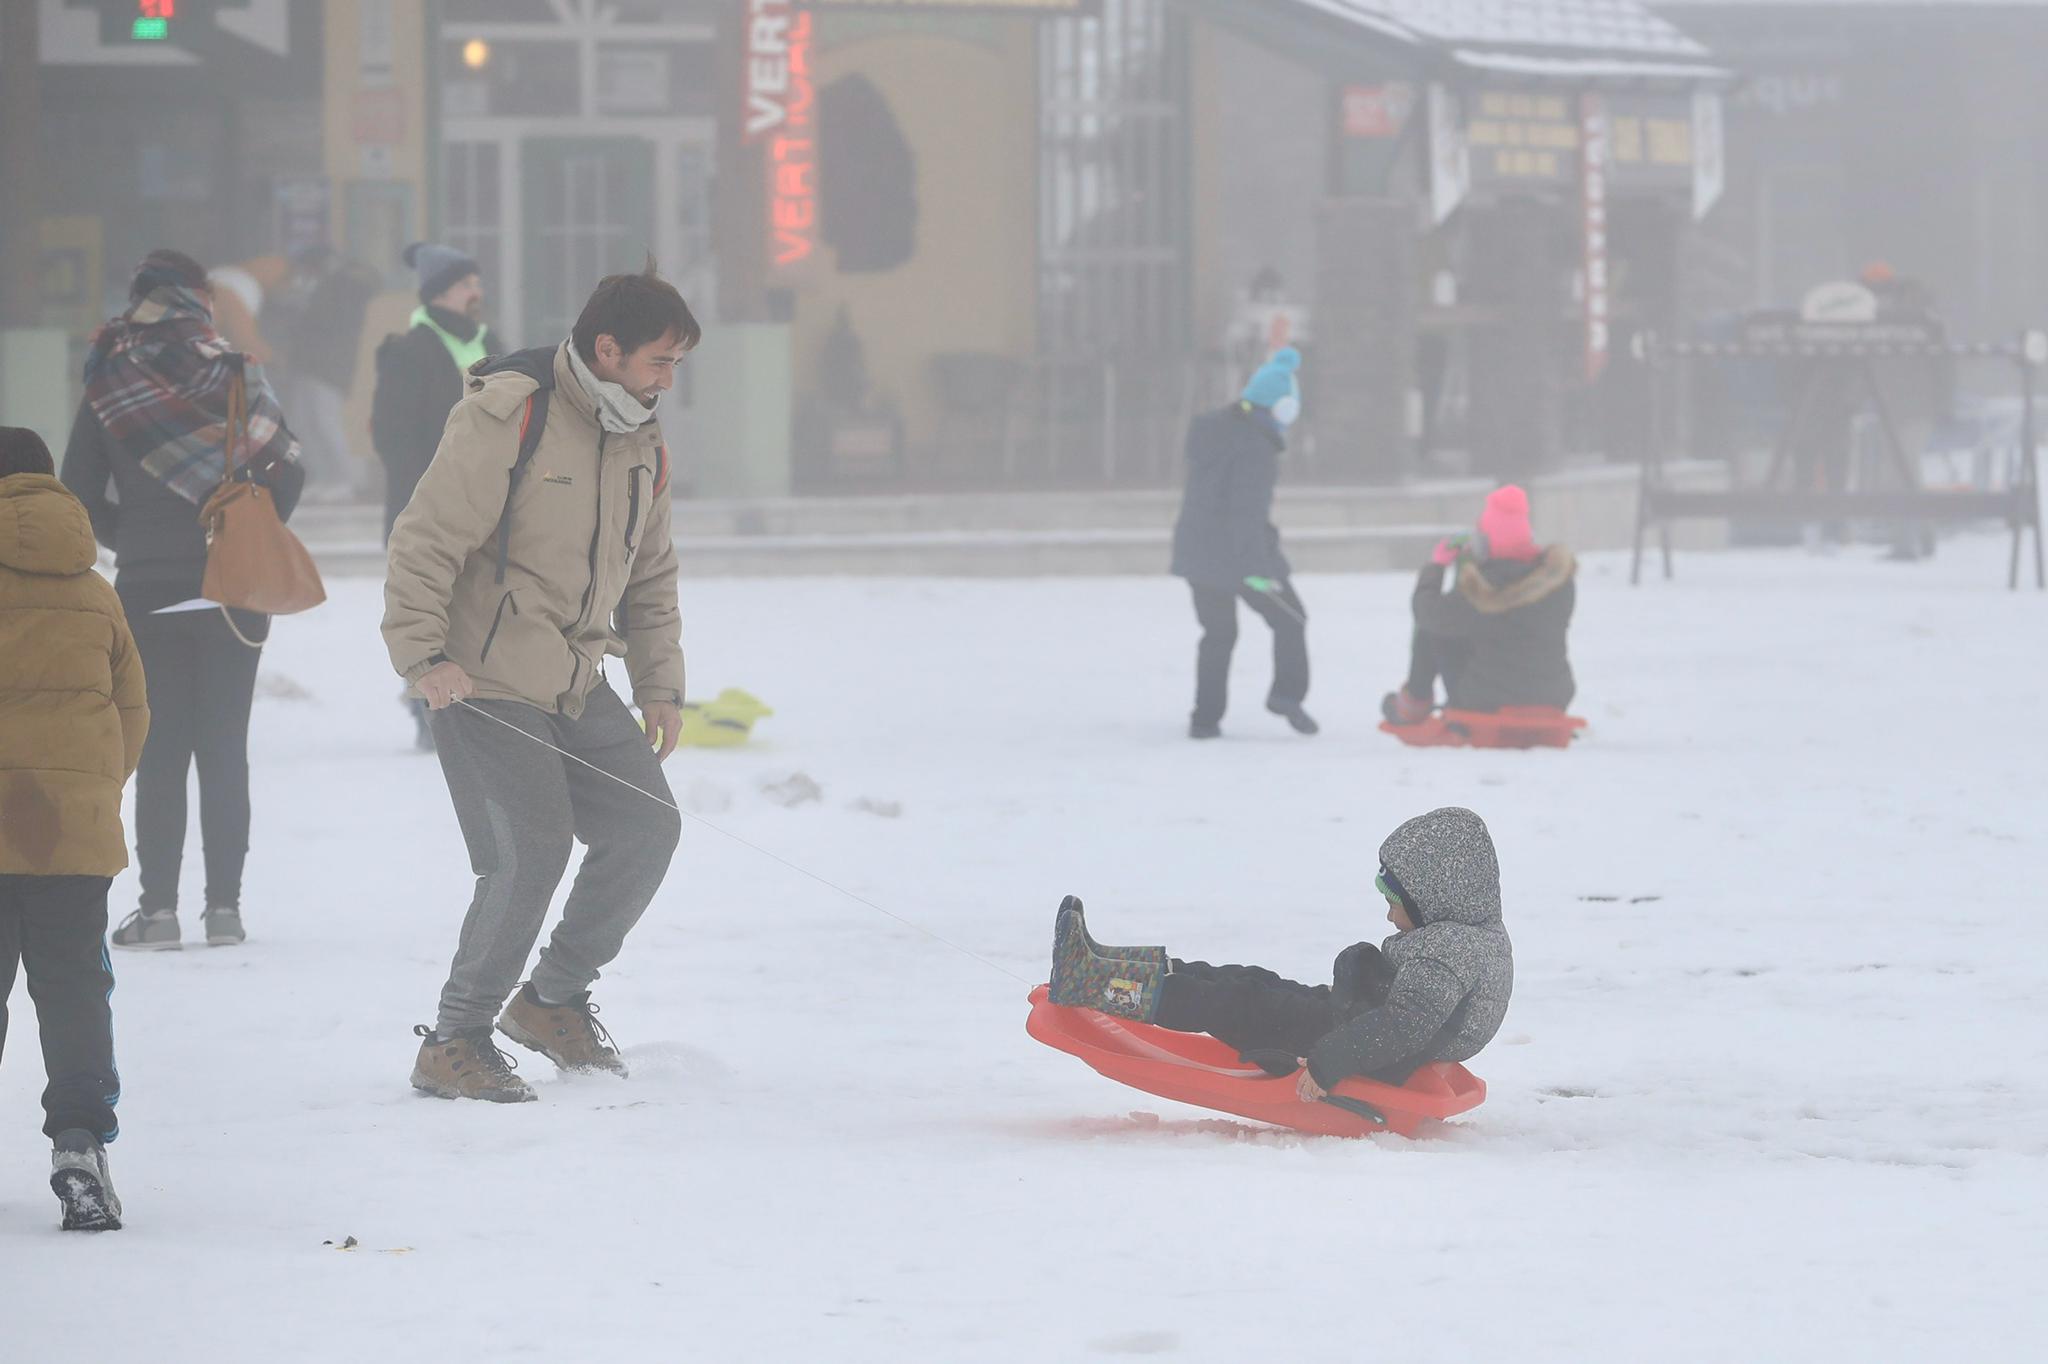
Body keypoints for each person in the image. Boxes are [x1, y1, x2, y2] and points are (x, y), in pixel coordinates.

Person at [384, 262, 691, 1103]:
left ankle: (551, 1000)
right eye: (659, 360)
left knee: (646, 827)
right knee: (530, 852)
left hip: (574, 673)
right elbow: (425, 538)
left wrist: (660, 680)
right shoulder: (511, 412)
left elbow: (651, 571)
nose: (669, 378)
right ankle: (453, 1040)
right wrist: (422, 656)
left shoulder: (640, 437)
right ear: (607, 348)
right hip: (480, 674)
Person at [60, 249, 306, 951]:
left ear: (135, 300)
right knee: (225, 748)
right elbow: (289, 473)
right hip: (232, 587)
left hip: (147, 587)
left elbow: (76, 488)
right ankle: (224, 912)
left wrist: (131, 536)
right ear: (199, 298)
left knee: (161, 749)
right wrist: (246, 534)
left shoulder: (109, 381)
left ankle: (158, 913)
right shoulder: (232, 370)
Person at [1048, 807, 1512, 1098]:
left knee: (1232, 1001)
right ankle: (1106, 965)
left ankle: (1092, 983)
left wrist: (1329, 1063)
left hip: (1349, 1046)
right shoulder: (1464, 937)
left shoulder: (1451, 952)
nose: (1390, 917)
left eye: (1394, 903)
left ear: (1435, 896)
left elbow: (1402, 1027)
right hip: (1352, 1024)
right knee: (1247, 979)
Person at [0, 427, 150, 1231]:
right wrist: (92, 792)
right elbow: (133, 710)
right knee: (73, 991)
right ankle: (81, 1142)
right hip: (71, 836)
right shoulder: (96, 589)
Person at [370, 242, 502, 750]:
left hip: (492, 506)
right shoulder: (410, 350)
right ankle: (429, 707)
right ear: (442, 292)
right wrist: (424, 503)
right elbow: (393, 437)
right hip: (427, 507)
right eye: (468, 285)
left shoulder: (492, 341)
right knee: (429, 607)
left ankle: (486, 701)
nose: (478, 293)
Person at [1169, 347, 1316, 740]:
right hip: (1240, 559)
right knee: (1291, 618)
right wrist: (1258, 572)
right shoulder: (1256, 449)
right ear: (1281, 408)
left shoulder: (1212, 432)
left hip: (1198, 553)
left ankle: (1205, 719)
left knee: (1218, 635)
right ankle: (1286, 695)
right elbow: (1245, 515)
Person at [1381, 485, 1576, 726]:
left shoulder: (1480, 588)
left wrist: (1438, 566)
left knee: (1433, 627)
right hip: (1553, 697)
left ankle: (1414, 704)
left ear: (1484, 542)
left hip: (1486, 700)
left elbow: (1427, 613)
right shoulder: (1560, 585)